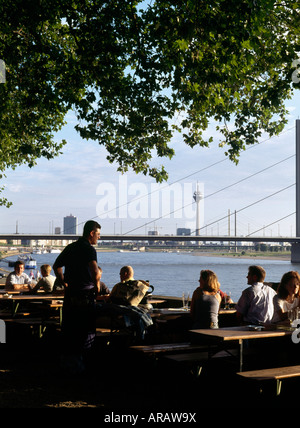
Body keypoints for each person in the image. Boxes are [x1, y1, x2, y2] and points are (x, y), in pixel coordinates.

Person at [53, 220, 101, 373]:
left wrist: (63, 282)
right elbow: (94, 271)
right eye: (98, 234)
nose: (99, 238)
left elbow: (57, 266)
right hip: (85, 295)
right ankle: (84, 364)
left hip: (71, 294)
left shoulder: (71, 247)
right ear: (91, 233)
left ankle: (67, 363)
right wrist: (97, 286)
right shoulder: (89, 249)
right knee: (86, 329)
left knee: (69, 328)